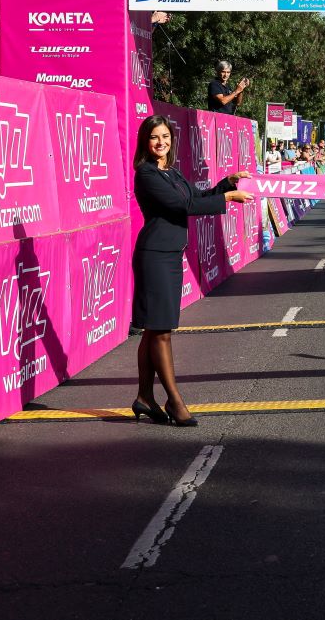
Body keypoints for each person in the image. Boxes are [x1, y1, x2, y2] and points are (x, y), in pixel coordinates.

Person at [131, 114, 253, 426]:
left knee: (154, 330)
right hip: (154, 256)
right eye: (155, 137)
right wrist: (227, 198)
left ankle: (145, 397)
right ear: (146, 141)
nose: (162, 142)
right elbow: (183, 207)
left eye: (166, 137)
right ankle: (175, 401)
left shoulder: (170, 172)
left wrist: (226, 184)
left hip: (169, 256)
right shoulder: (145, 174)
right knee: (161, 333)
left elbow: (195, 198)